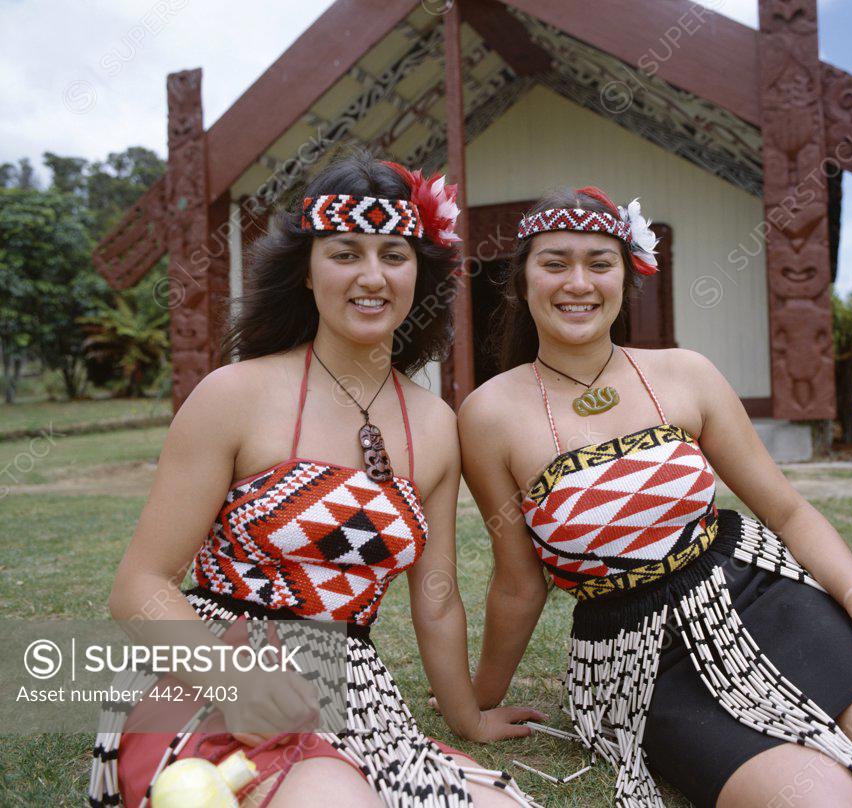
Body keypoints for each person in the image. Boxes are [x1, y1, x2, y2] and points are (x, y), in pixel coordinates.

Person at [457, 186, 852, 807]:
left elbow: (785, 509)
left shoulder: (686, 373)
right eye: (555, 262)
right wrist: (479, 697)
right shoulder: (488, 415)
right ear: (521, 278)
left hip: (766, 596)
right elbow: (518, 582)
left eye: (600, 262)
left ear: (627, 275)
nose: (579, 283)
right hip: (640, 664)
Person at [89, 153, 543, 807]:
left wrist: (468, 715)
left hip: (350, 684)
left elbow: (436, 596)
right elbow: (138, 586)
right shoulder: (234, 395)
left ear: (421, 273)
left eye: (394, 254)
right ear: (306, 271)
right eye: (345, 253)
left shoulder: (434, 425)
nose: (372, 276)